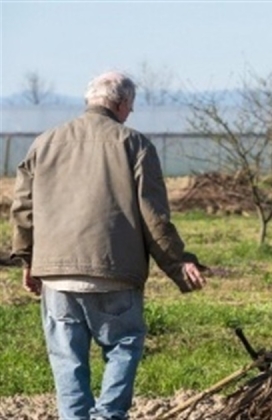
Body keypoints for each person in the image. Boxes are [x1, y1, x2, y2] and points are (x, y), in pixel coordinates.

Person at [10, 71, 207, 420]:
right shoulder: (134, 144)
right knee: (124, 345)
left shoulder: (45, 142)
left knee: (67, 360)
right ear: (120, 103)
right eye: (130, 106)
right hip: (113, 272)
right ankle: (108, 416)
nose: (130, 113)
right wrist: (178, 263)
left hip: (56, 276)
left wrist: (28, 260)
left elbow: (23, 208)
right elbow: (154, 216)